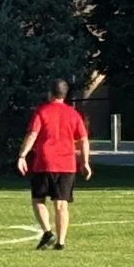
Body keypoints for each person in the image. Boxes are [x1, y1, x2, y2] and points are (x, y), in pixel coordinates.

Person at [17, 78, 92, 250]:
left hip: (44, 162)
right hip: (67, 164)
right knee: (61, 204)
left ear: (50, 93)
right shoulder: (73, 114)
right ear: (65, 95)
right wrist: (85, 162)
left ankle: (47, 231)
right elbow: (83, 140)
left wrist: (22, 155)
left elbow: (32, 135)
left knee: (38, 199)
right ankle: (61, 241)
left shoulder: (42, 111)